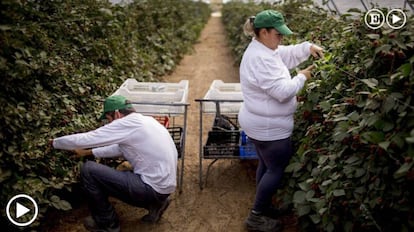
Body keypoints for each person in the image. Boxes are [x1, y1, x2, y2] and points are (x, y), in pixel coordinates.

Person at [238, 9, 323, 232]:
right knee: (276, 168)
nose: (281, 39)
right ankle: (256, 216)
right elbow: (282, 91)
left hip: (260, 121)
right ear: (263, 32)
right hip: (269, 128)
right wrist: (303, 76)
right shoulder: (260, 58)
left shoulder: (266, 49)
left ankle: (262, 207)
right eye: (278, 34)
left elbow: (284, 54)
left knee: (266, 165)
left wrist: (307, 48)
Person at [51, 95, 178, 232]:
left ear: (117, 114)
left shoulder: (126, 123)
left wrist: (54, 143)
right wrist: (89, 153)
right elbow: (120, 149)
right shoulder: (146, 121)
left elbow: (88, 138)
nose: (108, 123)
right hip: (165, 187)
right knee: (118, 175)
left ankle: (107, 224)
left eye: (109, 119)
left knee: (88, 170)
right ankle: (156, 205)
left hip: (150, 188)